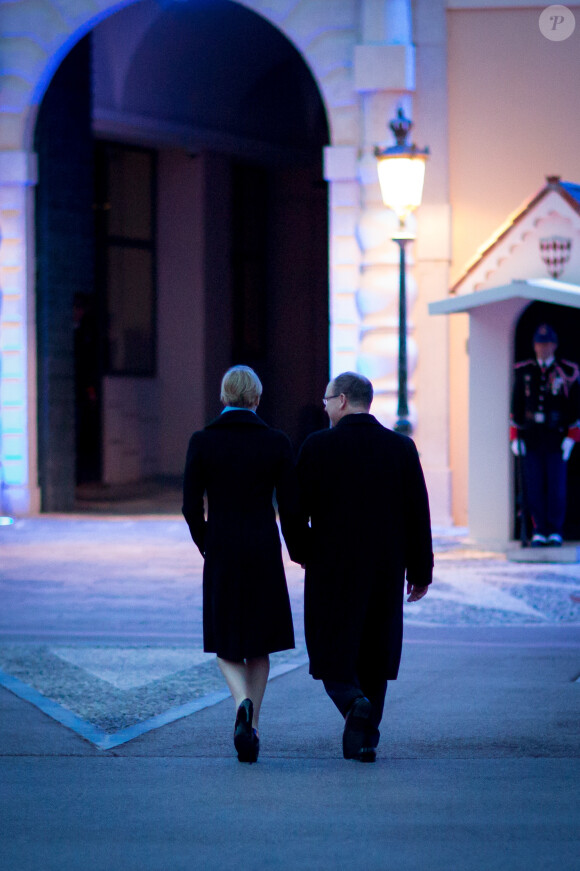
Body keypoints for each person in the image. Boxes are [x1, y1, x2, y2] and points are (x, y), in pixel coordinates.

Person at [297, 372, 433, 763]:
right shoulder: (401, 448)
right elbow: (417, 514)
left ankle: (353, 701)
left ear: (341, 400)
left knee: (328, 649)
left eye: (326, 399)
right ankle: (365, 740)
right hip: (385, 568)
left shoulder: (317, 446)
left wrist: (303, 550)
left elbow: (293, 510)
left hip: (330, 567)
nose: (323, 406)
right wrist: (420, 570)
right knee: (375, 650)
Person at [182, 365, 305, 762]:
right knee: (260, 643)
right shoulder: (277, 442)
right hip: (262, 549)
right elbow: (289, 506)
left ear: (223, 398)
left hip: (222, 548)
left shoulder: (202, 441)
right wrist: (297, 549)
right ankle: (252, 727)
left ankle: (241, 704)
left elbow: (189, 506)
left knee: (225, 640)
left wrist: (207, 543)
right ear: (256, 399)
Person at [510, 324, 580, 547]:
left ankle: (555, 529)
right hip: (531, 439)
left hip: (556, 439)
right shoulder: (525, 372)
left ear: (555, 346)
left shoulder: (566, 372)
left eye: (547, 344)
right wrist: (515, 437)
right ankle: (539, 529)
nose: (543, 348)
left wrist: (571, 437)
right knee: (534, 487)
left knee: (556, 487)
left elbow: (575, 409)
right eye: (539, 344)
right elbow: (516, 408)